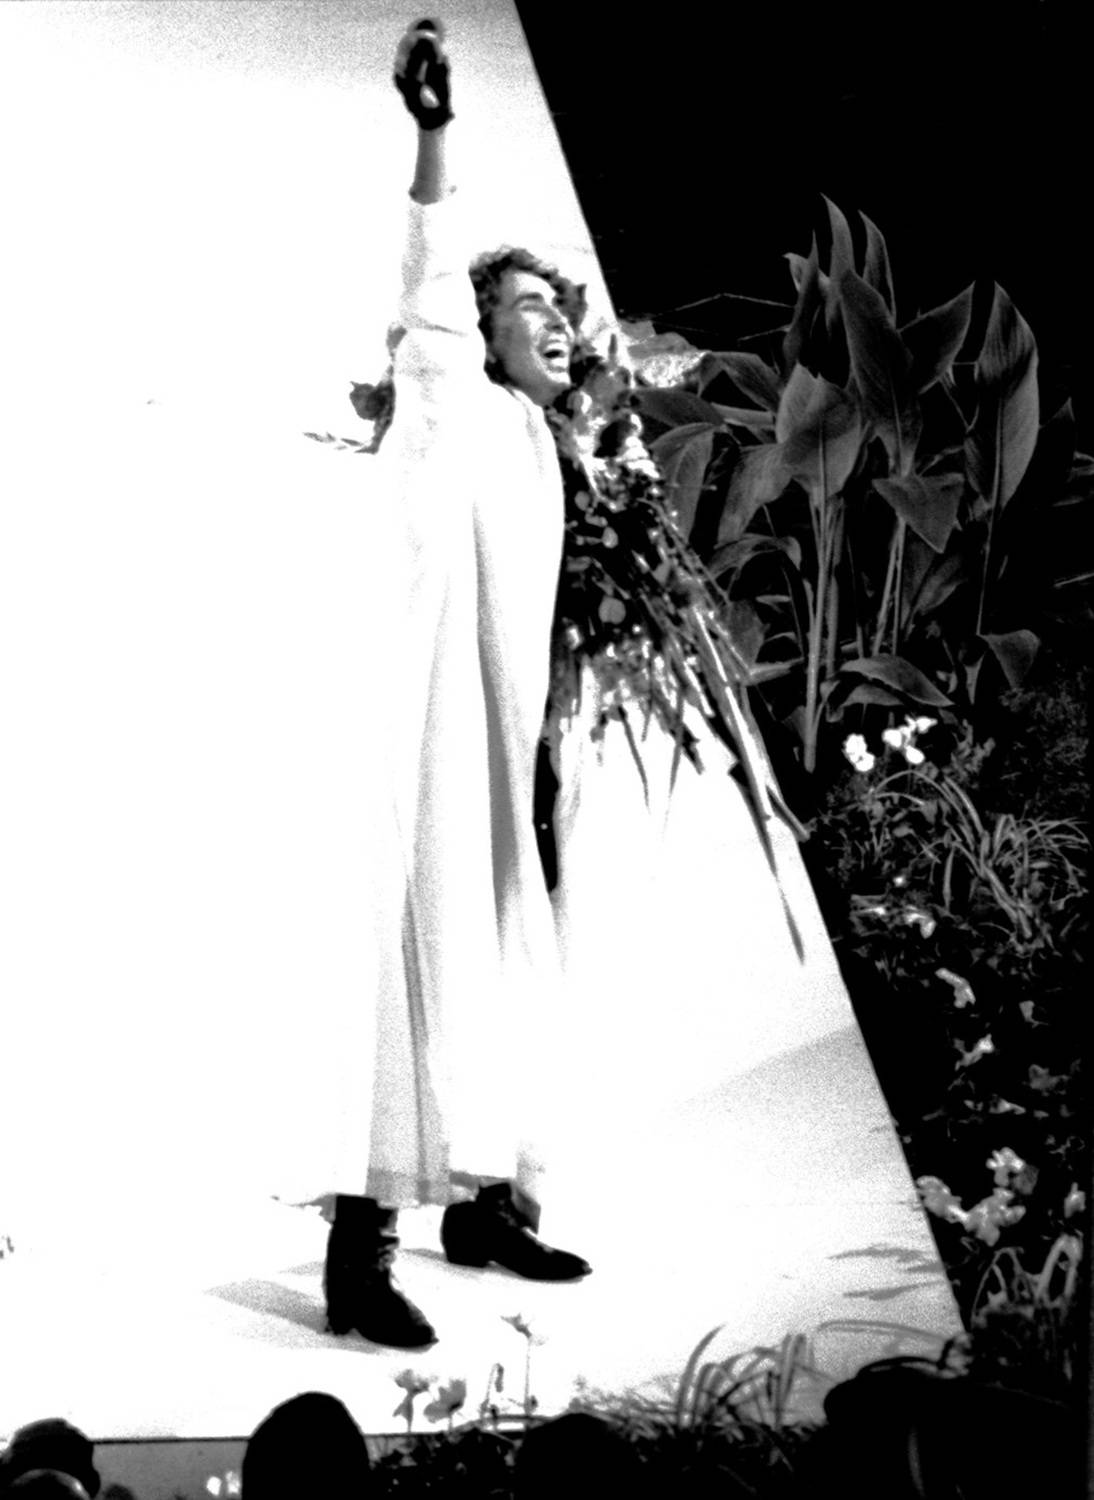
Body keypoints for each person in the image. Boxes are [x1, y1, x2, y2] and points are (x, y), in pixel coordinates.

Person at [321, 19, 591, 1353]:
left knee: (508, 967)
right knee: (414, 970)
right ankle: (358, 1250)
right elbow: (430, 286)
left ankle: (484, 1211)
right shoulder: (449, 398)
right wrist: (435, 137)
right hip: (428, 753)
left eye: (562, 310)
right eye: (532, 309)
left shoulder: (542, 440)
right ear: (480, 334)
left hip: (505, 751)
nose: (559, 326)